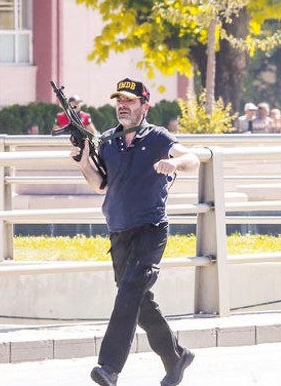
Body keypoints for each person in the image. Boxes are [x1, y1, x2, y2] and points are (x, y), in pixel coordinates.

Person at [71, 78, 200, 386]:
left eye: (129, 101)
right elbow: (101, 184)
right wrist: (84, 164)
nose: (123, 106)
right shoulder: (108, 140)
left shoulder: (157, 137)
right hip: (118, 230)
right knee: (138, 300)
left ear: (145, 106)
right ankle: (176, 357)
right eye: (119, 100)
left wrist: (175, 164)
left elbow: (192, 159)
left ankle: (109, 367)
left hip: (150, 229)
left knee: (129, 291)